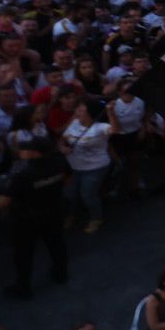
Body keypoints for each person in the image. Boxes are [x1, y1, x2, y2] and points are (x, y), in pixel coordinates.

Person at [0, 137, 69, 299]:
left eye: (24, 149)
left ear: (34, 153)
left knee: (23, 254)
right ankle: (61, 273)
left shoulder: (22, 174)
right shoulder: (59, 162)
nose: (21, 151)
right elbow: (66, 179)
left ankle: (23, 287)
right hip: (54, 210)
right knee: (57, 244)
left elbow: (1, 203)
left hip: (27, 219)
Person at [59, 100, 115, 235]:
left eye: (81, 111)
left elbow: (115, 129)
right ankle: (70, 215)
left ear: (91, 114)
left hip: (95, 168)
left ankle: (96, 218)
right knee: (70, 194)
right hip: (74, 168)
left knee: (88, 194)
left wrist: (110, 111)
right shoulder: (74, 123)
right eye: (77, 110)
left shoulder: (100, 127)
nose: (77, 113)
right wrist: (62, 147)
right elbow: (62, 139)